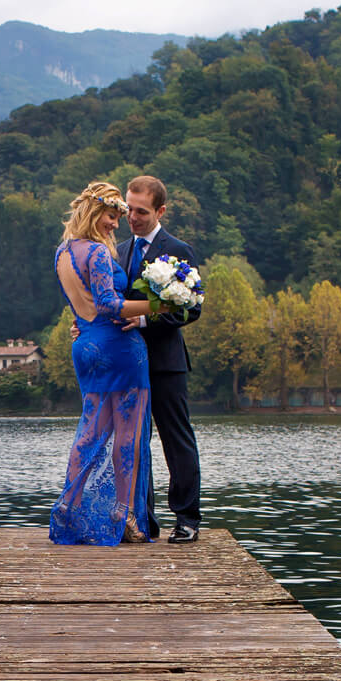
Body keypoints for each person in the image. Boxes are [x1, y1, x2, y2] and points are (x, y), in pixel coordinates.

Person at [48, 182, 155, 546]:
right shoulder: (95, 252)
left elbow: (83, 305)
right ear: (95, 212)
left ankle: (69, 504)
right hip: (119, 348)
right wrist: (159, 307)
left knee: (91, 430)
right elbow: (109, 304)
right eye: (112, 216)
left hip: (86, 347)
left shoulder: (62, 252)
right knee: (128, 434)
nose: (115, 224)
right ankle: (122, 514)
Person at [119, 176, 201, 543]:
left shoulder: (179, 250)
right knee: (136, 442)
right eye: (128, 209)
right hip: (127, 363)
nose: (132, 218)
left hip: (166, 362)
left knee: (176, 440)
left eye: (141, 211)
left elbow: (191, 310)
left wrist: (145, 318)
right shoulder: (118, 250)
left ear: (160, 211)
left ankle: (186, 519)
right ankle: (144, 519)